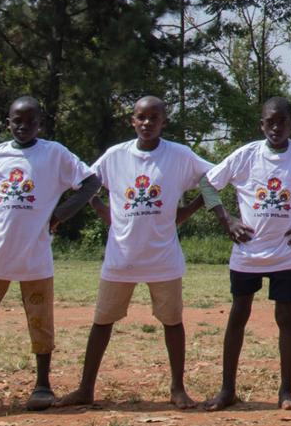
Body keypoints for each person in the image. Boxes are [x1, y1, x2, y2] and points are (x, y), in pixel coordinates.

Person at [0, 96, 100, 411]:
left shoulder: (55, 154)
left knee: (40, 321)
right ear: (7, 122)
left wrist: (60, 215)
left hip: (34, 256)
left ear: (41, 123)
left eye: (30, 121)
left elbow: (91, 182)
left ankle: (42, 385)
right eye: (16, 121)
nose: (23, 126)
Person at [57, 96, 211, 409]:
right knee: (102, 322)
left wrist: (187, 212)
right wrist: (103, 210)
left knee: (172, 322)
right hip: (121, 257)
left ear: (164, 122)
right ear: (132, 120)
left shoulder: (180, 156)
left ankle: (178, 388)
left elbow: (213, 178)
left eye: (154, 118)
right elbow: (87, 183)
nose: (147, 123)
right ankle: (86, 388)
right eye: (141, 117)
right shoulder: (115, 156)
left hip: (163, 258)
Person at [201, 96, 291, 411]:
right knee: (238, 316)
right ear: (261, 125)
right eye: (269, 122)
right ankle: (227, 390)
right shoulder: (247, 155)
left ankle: (286, 392)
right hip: (247, 254)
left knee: (285, 318)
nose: (276, 127)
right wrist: (228, 220)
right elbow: (208, 184)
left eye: (282, 122)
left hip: (287, 254)